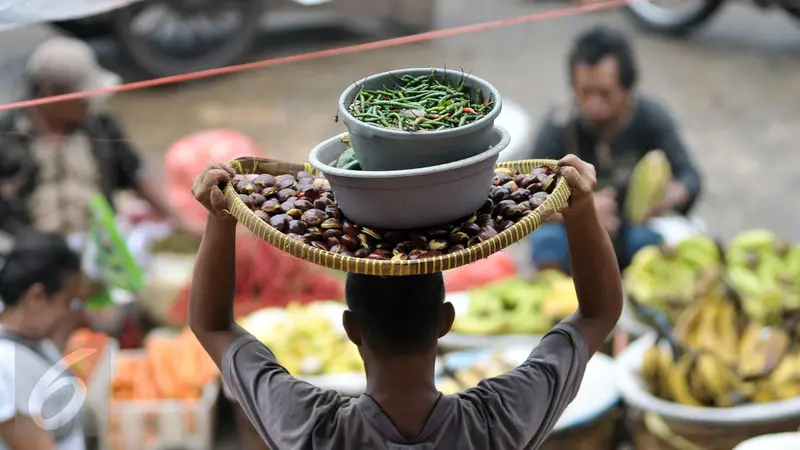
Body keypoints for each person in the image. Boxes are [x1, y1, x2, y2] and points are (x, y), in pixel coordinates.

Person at [188, 154, 622, 449]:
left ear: (351, 329)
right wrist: (580, 209)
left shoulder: (313, 430)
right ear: (445, 321)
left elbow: (213, 326)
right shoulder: (493, 424)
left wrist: (220, 218)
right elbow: (599, 313)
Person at [529, 25, 703, 272]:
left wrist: (673, 194)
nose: (593, 103)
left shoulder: (650, 118)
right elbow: (527, 201)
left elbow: (690, 178)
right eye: (585, 92)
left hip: (633, 231)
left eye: (604, 93)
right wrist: (581, 211)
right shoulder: (559, 126)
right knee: (546, 242)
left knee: (665, 245)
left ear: (627, 87)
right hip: (578, 234)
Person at [0, 36, 201, 238]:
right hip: (30, 251)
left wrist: (179, 219)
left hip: (97, 242)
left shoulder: (100, 126)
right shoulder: (7, 135)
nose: (90, 103)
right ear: (52, 94)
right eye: (82, 97)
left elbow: (134, 174)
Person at [0, 230, 86, 450]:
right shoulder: (5, 366)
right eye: (66, 302)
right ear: (36, 296)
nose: (68, 314)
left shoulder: (36, 343)